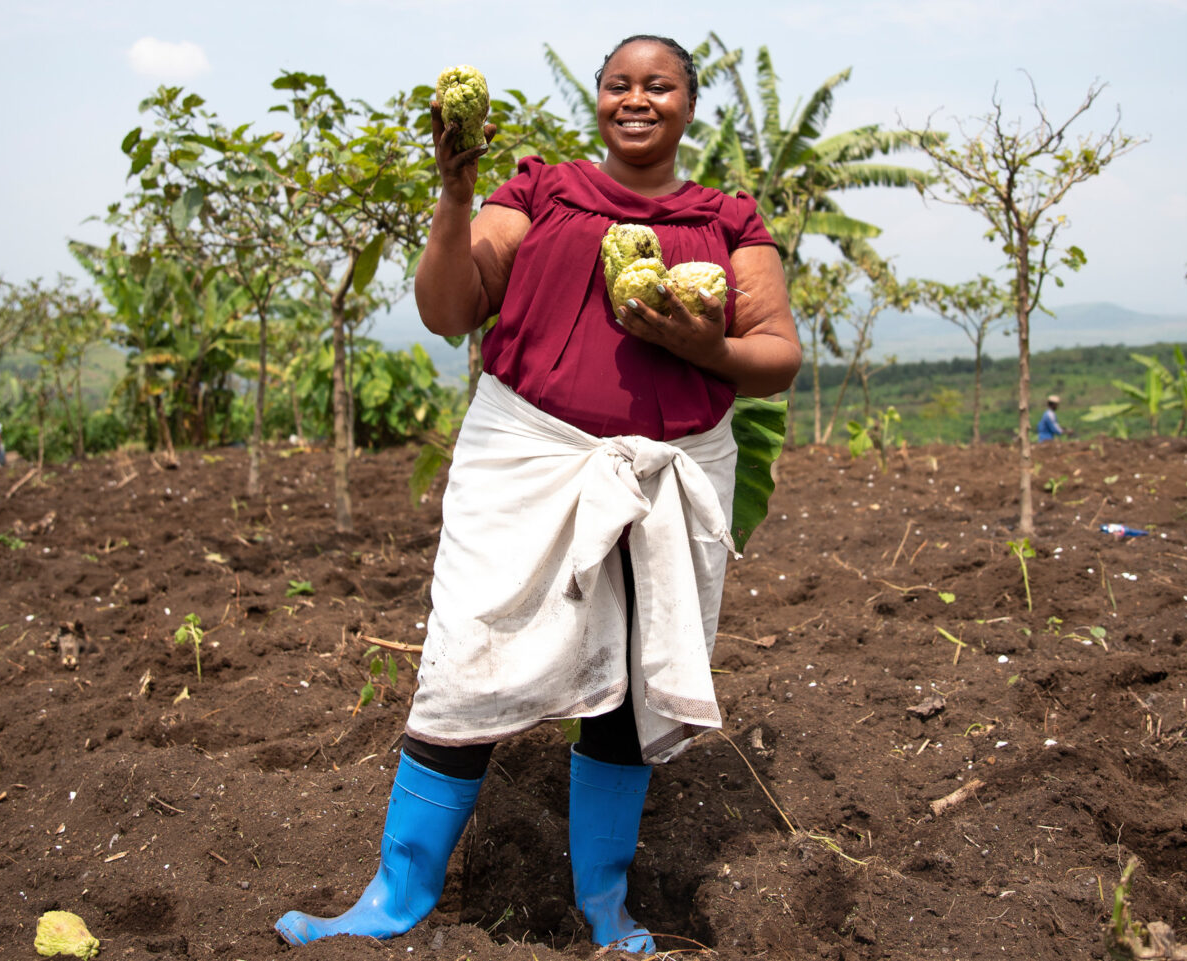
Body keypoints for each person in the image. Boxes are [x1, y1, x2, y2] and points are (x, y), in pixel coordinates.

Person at [274, 35, 800, 953]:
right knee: (469, 655)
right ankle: (395, 897)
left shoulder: (727, 221)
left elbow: (778, 354)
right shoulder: (542, 191)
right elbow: (449, 309)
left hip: (667, 473)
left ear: (687, 103)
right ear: (599, 98)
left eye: (660, 86)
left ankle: (604, 902)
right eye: (619, 85)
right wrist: (454, 189)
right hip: (529, 457)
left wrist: (701, 347)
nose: (637, 100)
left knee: (630, 687)